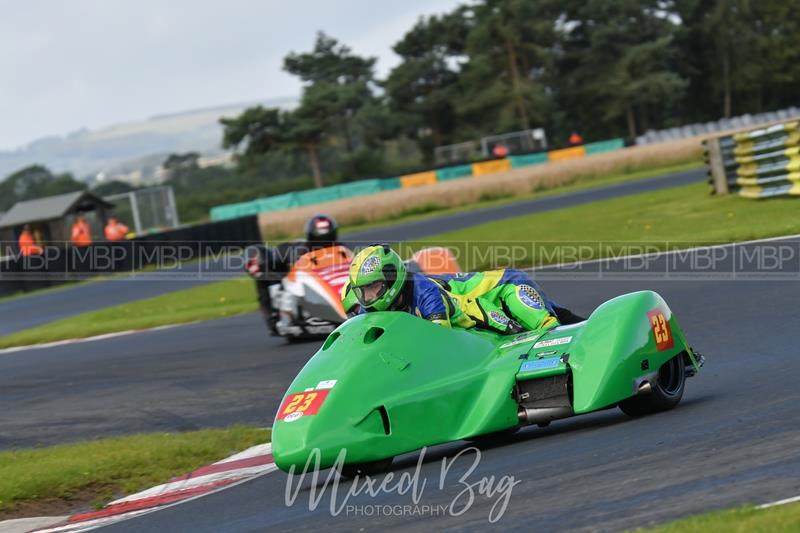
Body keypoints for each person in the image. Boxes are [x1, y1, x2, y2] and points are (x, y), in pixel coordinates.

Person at [346, 244, 579, 334]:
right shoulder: (372, 308)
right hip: (473, 310)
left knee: (546, 331)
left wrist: (510, 327)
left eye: (374, 288)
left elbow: (438, 340)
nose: (368, 298)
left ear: (392, 279)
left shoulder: (425, 293)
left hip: (501, 289)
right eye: (362, 292)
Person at [245, 214, 342, 333]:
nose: (323, 244)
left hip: (333, 280)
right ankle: (275, 319)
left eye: (327, 238)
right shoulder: (295, 251)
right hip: (297, 285)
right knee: (268, 280)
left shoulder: (341, 249)